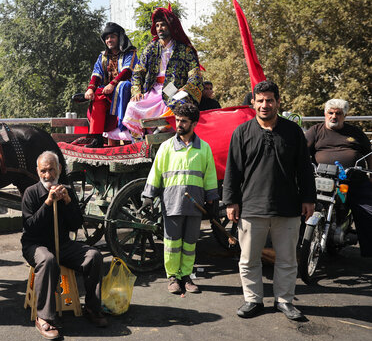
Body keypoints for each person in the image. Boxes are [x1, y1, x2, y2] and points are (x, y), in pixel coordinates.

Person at [223, 81, 315, 321]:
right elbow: (232, 171)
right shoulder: (242, 132)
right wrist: (231, 202)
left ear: (278, 102)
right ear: (253, 102)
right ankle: (253, 300)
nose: (265, 105)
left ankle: (284, 300)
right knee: (249, 259)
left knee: (287, 259)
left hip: (288, 206)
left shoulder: (293, 131)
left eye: (270, 100)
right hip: (252, 207)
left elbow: (304, 168)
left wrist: (308, 198)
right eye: (260, 100)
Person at [22, 151, 107, 340]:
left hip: (63, 244)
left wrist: (68, 202)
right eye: (43, 171)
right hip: (35, 245)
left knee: (94, 256)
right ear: (38, 171)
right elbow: (30, 228)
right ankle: (44, 317)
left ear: (59, 169)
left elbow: (76, 224)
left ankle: (92, 308)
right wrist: (48, 203)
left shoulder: (67, 190)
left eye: (51, 169)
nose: (47, 175)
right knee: (48, 259)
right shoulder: (31, 193)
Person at [142, 103, 218, 294]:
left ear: (194, 123)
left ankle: (187, 276)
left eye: (183, 121)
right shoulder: (167, 147)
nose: (179, 124)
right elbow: (156, 172)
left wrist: (212, 199)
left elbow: (209, 176)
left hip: (195, 205)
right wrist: (148, 195)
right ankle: (173, 278)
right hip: (172, 203)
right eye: (177, 120)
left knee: (190, 243)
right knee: (172, 243)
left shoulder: (204, 149)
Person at [122, 6, 203, 139]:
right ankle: (140, 139)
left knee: (180, 102)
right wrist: (136, 91)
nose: (159, 28)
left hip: (173, 88)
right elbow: (137, 72)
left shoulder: (184, 49)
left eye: (163, 25)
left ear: (170, 26)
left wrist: (185, 89)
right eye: (157, 25)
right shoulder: (150, 48)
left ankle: (159, 131)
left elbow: (195, 74)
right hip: (153, 88)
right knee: (133, 106)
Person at [305, 99, 372, 257]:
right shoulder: (315, 131)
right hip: (322, 178)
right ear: (325, 114)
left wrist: (370, 173)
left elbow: (369, 153)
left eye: (338, 113)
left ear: (344, 116)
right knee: (302, 205)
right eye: (331, 113)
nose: (334, 116)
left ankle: (369, 253)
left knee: (368, 211)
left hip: (353, 179)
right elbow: (302, 151)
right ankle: (299, 244)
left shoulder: (355, 133)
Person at [83, 22, 137, 144]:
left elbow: (127, 71)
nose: (109, 40)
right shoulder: (102, 56)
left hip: (127, 92)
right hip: (108, 93)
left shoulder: (130, 52)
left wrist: (113, 84)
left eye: (112, 37)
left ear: (119, 38)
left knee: (123, 86)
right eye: (107, 38)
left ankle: (125, 130)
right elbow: (97, 73)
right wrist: (90, 89)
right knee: (97, 95)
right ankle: (96, 138)